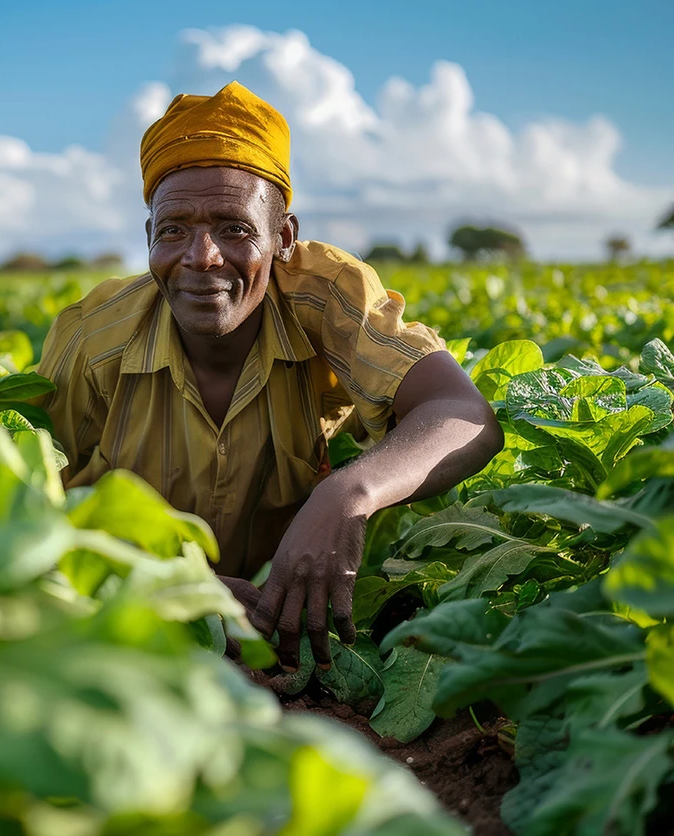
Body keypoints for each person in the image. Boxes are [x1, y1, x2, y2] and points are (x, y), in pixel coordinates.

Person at [36, 81, 504, 672]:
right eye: (173, 229)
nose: (201, 256)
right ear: (149, 237)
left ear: (283, 238)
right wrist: (170, 587)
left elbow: (462, 416)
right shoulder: (92, 339)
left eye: (234, 228)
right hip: (114, 627)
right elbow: (22, 514)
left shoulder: (325, 296)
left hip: (281, 616)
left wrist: (346, 496)